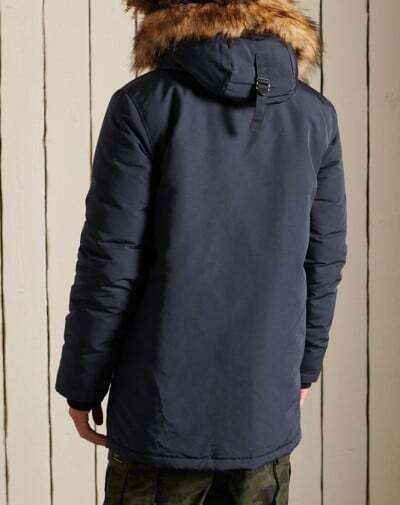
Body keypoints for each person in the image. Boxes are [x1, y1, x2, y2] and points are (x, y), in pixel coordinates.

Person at [54, 0, 348, 503]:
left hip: (158, 420)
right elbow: (323, 260)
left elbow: (111, 262)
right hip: (262, 411)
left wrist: (82, 383)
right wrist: (302, 369)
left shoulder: (142, 105)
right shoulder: (315, 116)